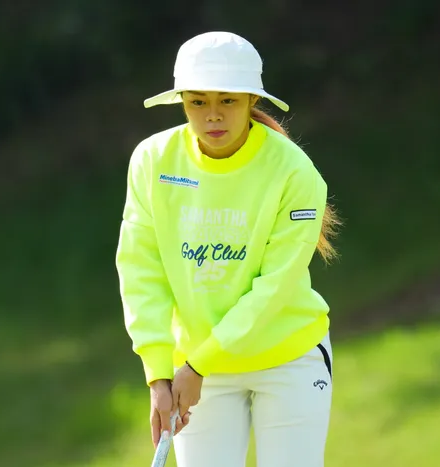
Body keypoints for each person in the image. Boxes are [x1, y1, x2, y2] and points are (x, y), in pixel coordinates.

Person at [115, 31, 342, 467]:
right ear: (182, 102)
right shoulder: (152, 160)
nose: (213, 115)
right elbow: (141, 268)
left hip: (288, 358)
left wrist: (198, 365)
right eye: (198, 102)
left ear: (252, 101)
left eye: (228, 101)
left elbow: (274, 289)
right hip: (196, 368)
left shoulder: (294, 170)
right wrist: (158, 374)